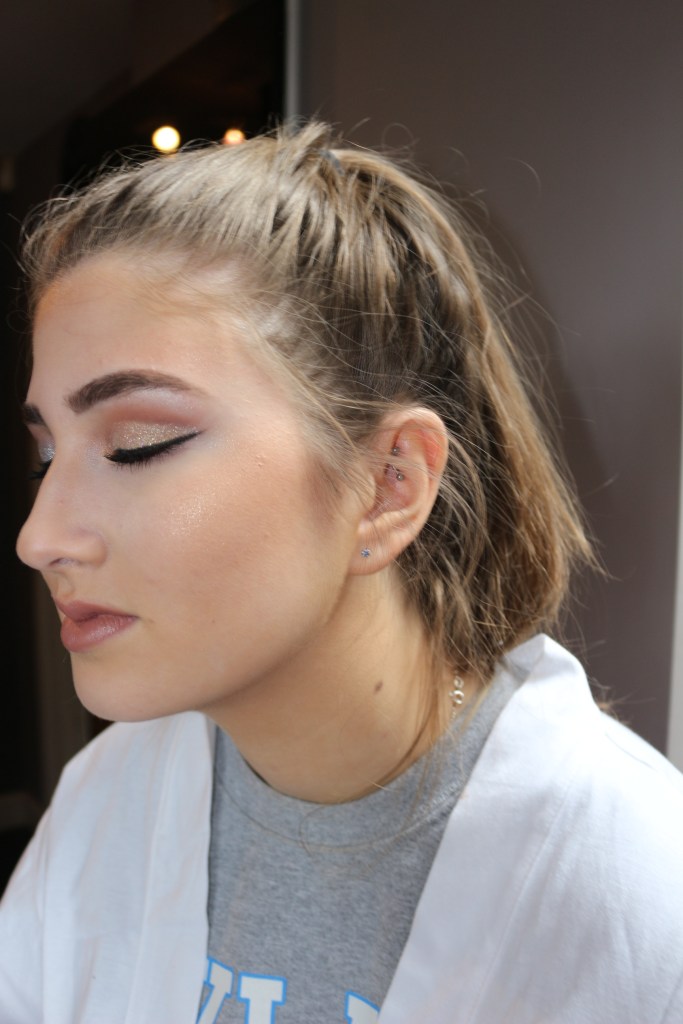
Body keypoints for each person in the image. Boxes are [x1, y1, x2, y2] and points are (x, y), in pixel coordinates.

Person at [1, 121, 682, 1024]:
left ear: (386, 485)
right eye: (48, 456)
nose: (40, 536)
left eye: (138, 444)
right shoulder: (107, 801)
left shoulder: (637, 892)